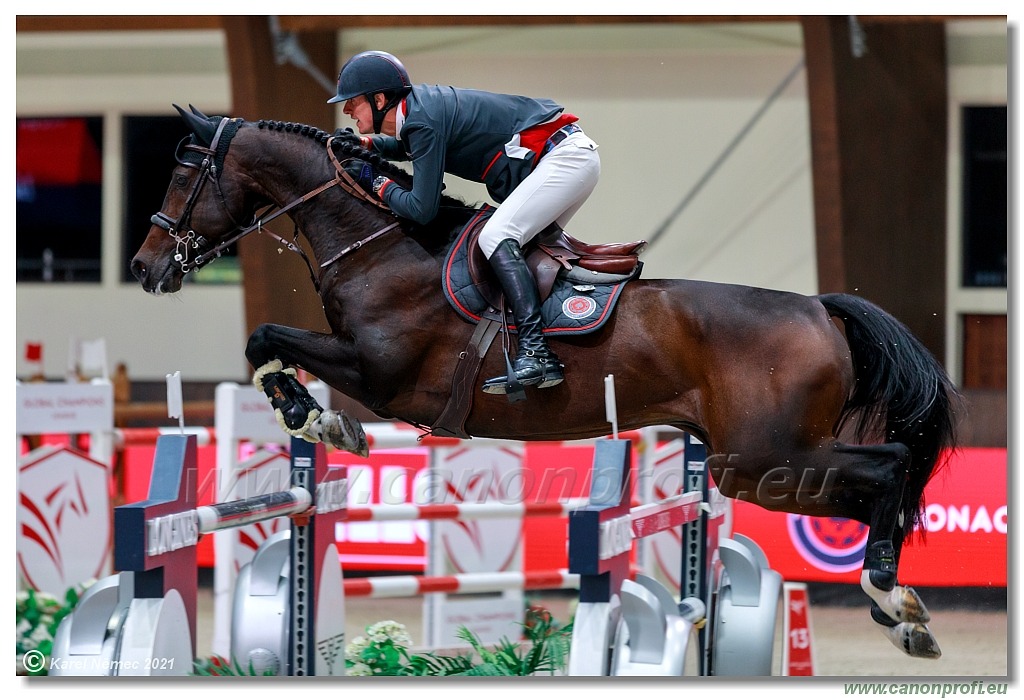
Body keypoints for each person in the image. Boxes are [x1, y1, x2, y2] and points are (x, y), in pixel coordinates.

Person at [328, 50, 600, 396]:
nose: (347, 110)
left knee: (497, 235)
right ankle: (545, 344)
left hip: (565, 160)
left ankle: (536, 352)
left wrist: (376, 181)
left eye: (352, 102)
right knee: (519, 248)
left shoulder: (423, 119)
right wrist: (368, 143)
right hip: (567, 159)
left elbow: (421, 209)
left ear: (379, 99)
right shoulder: (419, 113)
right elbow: (408, 147)